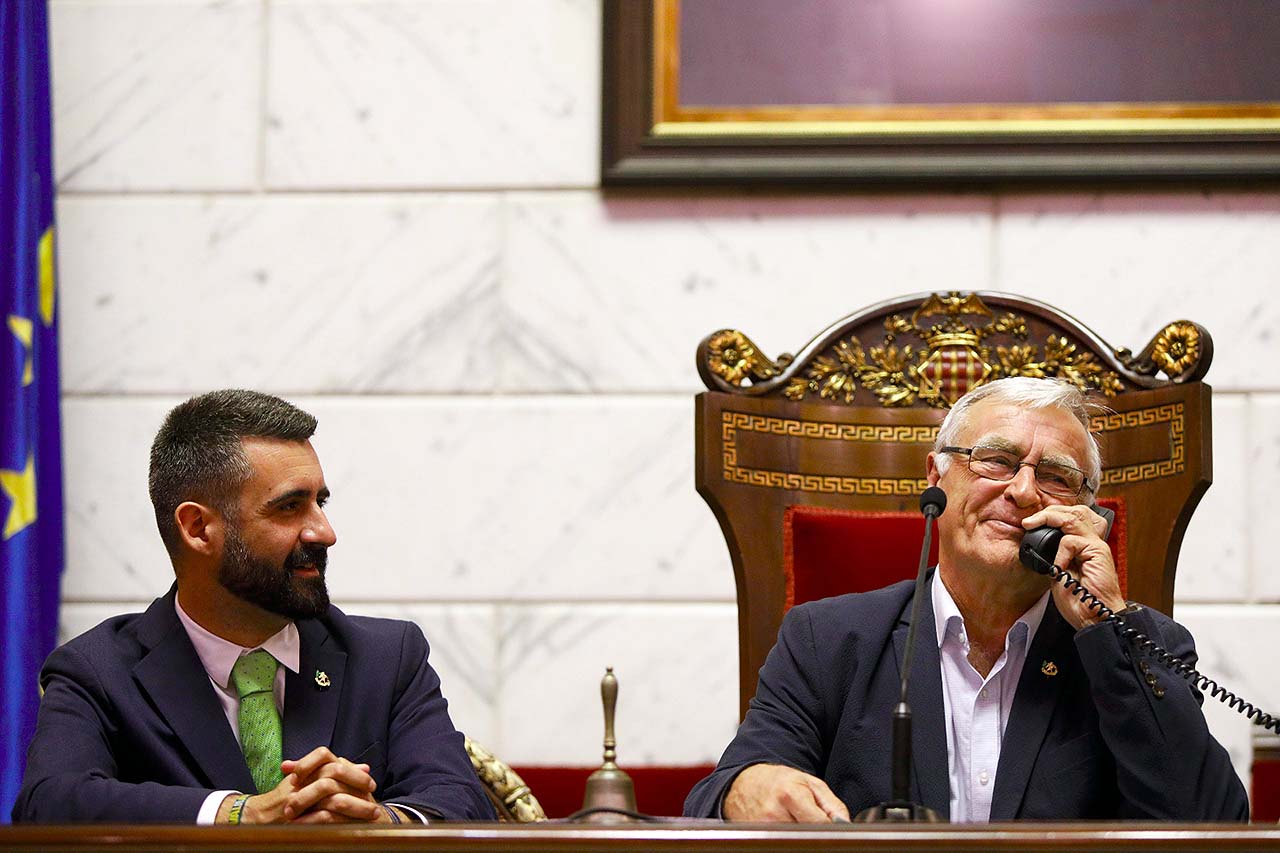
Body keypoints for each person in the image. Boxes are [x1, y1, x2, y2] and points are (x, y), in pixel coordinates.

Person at [685, 377, 1248, 822]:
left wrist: (1106, 627)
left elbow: (1211, 821)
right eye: (996, 461)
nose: (1023, 492)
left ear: (1088, 514)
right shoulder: (828, 640)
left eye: (1054, 477)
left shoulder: (1137, 644)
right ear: (937, 476)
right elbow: (713, 801)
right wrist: (746, 786)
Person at [13, 390, 494, 824]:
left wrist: (380, 823)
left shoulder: (387, 658)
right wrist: (239, 813)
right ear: (198, 529)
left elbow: (461, 802)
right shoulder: (96, 672)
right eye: (290, 507)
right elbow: (50, 802)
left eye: (320, 502)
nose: (324, 532)